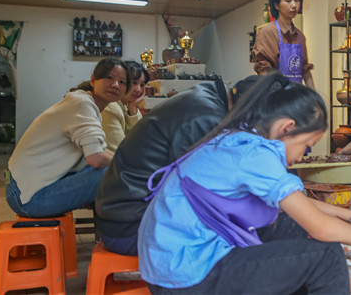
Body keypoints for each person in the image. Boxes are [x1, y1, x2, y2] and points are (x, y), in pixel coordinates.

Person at [138, 72, 351, 294]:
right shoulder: (256, 154)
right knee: (326, 257)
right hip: (184, 276)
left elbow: (295, 206)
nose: (301, 157)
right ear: (287, 128)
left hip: (173, 260)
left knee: (290, 224)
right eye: (306, 146)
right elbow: (322, 230)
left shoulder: (242, 140)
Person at [95, 75, 262, 256]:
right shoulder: (205, 119)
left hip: (123, 216)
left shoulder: (209, 95)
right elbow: (205, 195)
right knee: (244, 241)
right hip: (130, 228)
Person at [6, 58, 128, 218]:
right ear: (93, 80)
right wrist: (131, 164)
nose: (115, 85)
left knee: (115, 169)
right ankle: (122, 234)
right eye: (109, 78)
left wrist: (127, 161)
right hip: (28, 198)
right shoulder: (82, 104)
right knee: (112, 174)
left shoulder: (86, 103)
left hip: (23, 189)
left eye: (122, 82)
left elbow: (100, 151)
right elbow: (96, 158)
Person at [252, 0, 315, 89]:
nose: (294, 5)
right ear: (276, 5)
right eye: (288, 1)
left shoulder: (300, 36)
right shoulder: (268, 33)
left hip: (295, 98)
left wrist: (314, 100)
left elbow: (305, 72)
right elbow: (264, 72)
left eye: (297, 0)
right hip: (275, 98)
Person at [102, 61, 149, 151]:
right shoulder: (110, 107)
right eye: (134, 83)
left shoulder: (125, 106)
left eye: (142, 85)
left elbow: (141, 139)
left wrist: (133, 108)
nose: (138, 90)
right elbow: (121, 152)